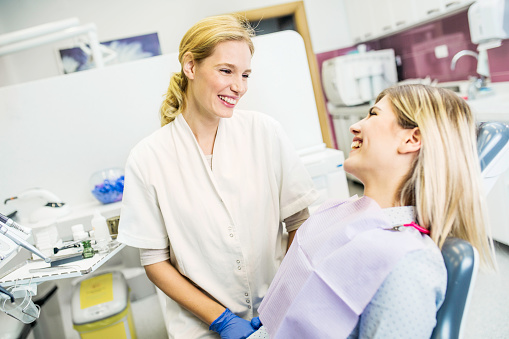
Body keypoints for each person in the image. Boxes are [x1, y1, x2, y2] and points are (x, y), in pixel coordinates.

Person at [116, 14, 319, 339]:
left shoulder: (264, 132)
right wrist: (220, 319)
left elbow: (298, 223)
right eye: (226, 71)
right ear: (191, 67)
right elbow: (154, 261)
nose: (238, 86)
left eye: (245, 74)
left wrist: (280, 300)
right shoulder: (148, 157)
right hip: (200, 328)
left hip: (278, 313)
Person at [247, 84, 496, 339]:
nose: (355, 126)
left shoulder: (408, 263)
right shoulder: (344, 214)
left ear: (411, 139)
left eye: (373, 114)